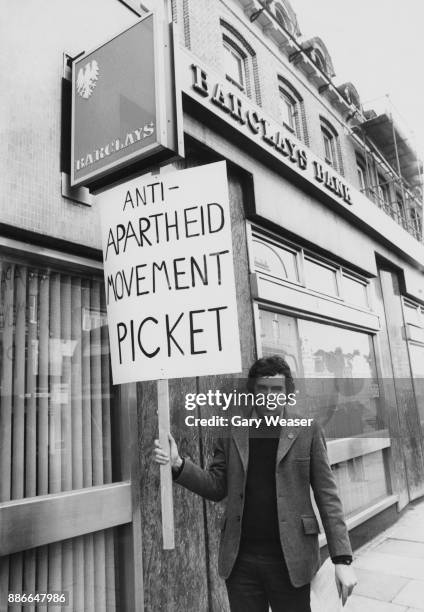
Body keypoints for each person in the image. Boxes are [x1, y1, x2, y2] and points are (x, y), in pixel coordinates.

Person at [153, 356, 357, 611]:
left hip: (291, 560)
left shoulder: (307, 430)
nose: (269, 396)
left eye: (277, 390)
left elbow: (328, 496)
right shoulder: (231, 430)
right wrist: (178, 465)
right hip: (241, 562)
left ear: (287, 393)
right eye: (263, 389)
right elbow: (217, 486)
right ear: (252, 391)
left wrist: (342, 559)